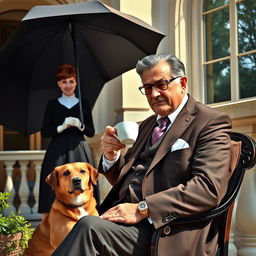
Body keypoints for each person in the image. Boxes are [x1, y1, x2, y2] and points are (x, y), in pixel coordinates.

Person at [51, 54, 232, 256]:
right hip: (123, 223)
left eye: (161, 84)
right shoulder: (147, 125)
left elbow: (207, 189)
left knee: (88, 228)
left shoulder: (210, 122)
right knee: (81, 226)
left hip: (166, 231)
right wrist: (111, 156)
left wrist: (143, 208)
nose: (154, 94)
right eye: (147, 88)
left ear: (182, 83)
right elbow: (131, 178)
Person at [38, 64, 95, 214]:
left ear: (76, 82)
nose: (68, 85)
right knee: (56, 183)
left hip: (79, 149)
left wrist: (80, 125)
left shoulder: (84, 104)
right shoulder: (52, 105)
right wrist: (61, 127)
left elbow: (91, 132)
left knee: (83, 183)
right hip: (57, 150)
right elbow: (44, 132)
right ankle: (55, 218)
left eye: (71, 81)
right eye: (64, 82)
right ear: (59, 84)